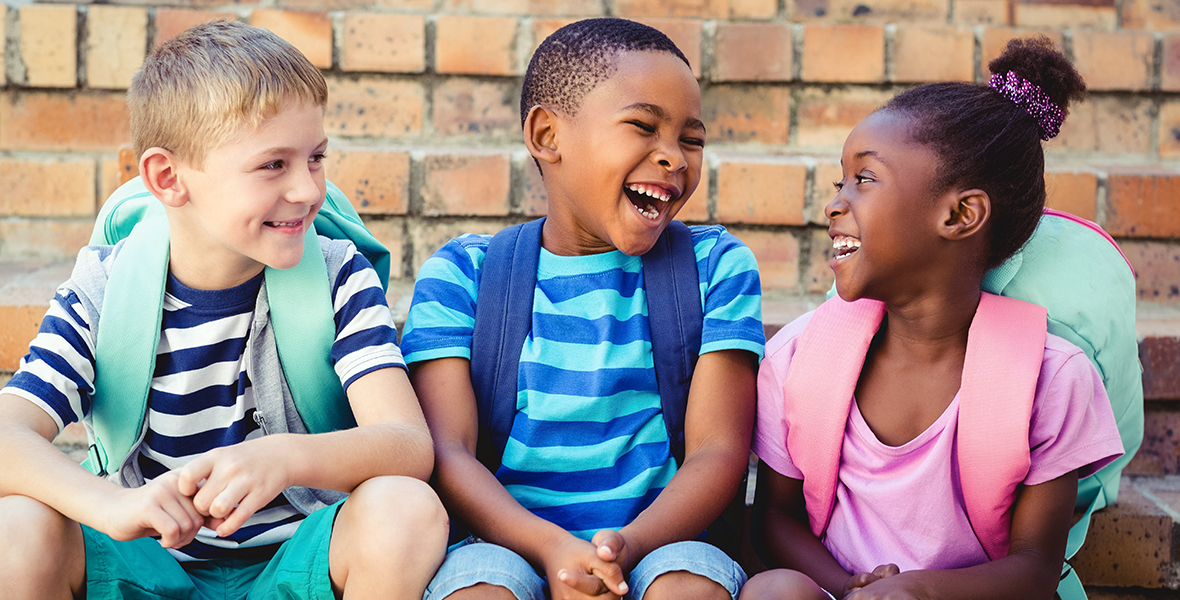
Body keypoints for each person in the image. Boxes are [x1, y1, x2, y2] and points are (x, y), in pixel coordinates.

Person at [0, 21, 447, 600]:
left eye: (315, 158)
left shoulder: (340, 275)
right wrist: (111, 504)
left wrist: (285, 458)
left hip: (297, 562)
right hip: (146, 565)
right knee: (16, 527)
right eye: (272, 165)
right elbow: (9, 434)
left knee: (405, 509)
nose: (310, 190)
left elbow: (409, 444)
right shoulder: (106, 290)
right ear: (169, 178)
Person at [743, 38, 1124, 600]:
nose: (835, 204)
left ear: (960, 214)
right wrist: (852, 588)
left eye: (865, 180)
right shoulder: (800, 357)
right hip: (837, 591)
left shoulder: (1051, 377)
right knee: (774, 591)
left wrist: (916, 593)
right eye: (839, 183)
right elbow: (773, 519)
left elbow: (1035, 567)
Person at [401, 17, 764, 600]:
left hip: (660, 546)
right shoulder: (463, 275)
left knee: (688, 586)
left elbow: (718, 452)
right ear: (548, 136)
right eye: (643, 126)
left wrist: (623, 551)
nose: (672, 157)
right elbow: (450, 452)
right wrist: (551, 550)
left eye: (691, 139)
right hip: (503, 547)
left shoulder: (714, 267)